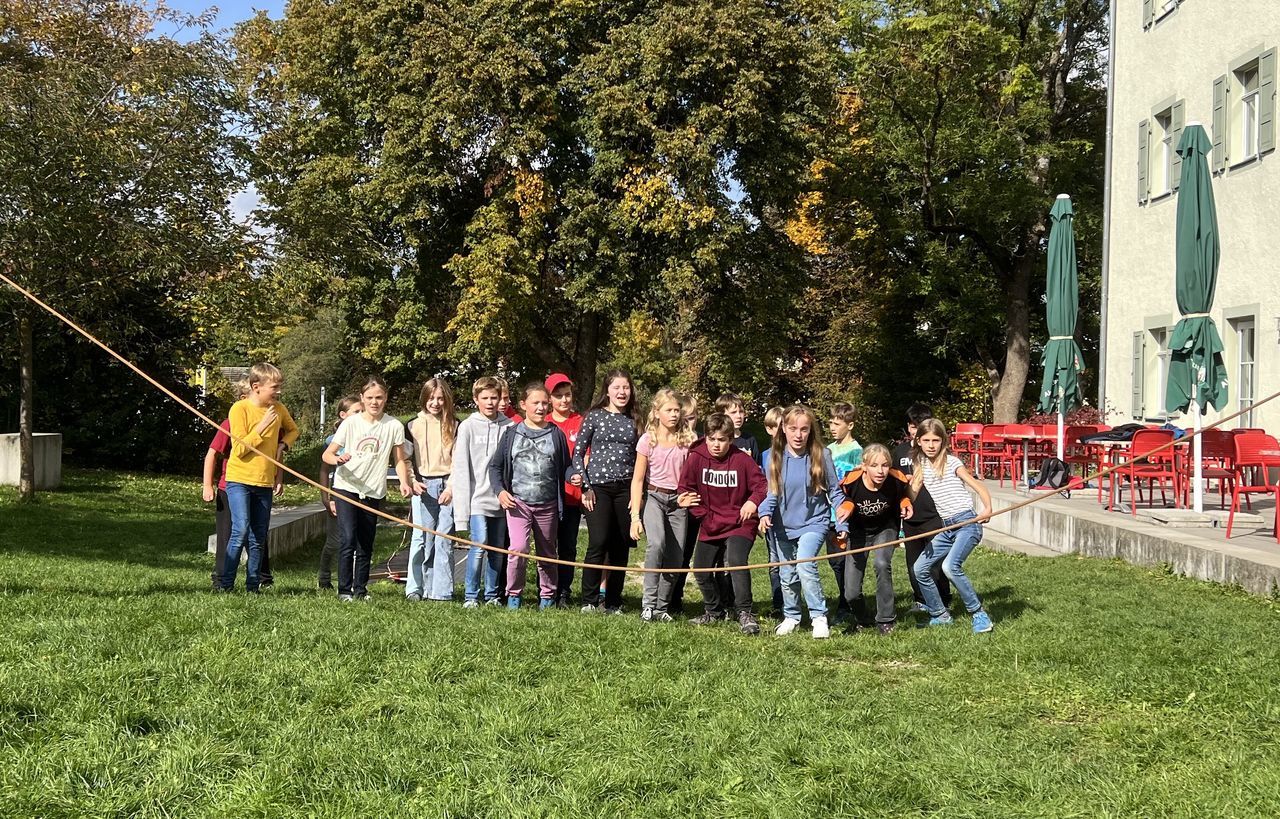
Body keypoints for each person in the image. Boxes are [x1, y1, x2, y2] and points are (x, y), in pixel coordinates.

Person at [322, 376, 414, 602]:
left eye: (379, 398)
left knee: (366, 542)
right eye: (370, 398)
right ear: (362, 399)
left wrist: (404, 482)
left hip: (373, 490)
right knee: (348, 539)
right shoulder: (351, 423)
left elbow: (400, 460)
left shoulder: (393, 425)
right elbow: (327, 454)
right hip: (347, 487)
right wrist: (338, 460)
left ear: (386, 399)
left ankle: (360, 589)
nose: (375, 402)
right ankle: (344, 590)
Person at [758, 405, 843, 639]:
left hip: (814, 522)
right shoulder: (774, 457)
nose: (798, 434)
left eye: (804, 429)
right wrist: (764, 513)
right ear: (783, 428)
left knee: (805, 565)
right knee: (787, 575)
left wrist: (842, 521)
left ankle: (819, 617)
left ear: (810, 431)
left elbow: (835, 492)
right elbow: (771, 494)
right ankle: (792, 616)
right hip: (783, 526)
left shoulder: (821, 455)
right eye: (793, 428)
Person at [678, 412, 767, 634]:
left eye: (722, 440)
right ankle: (714, 611)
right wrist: (700, 513)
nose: (716, 445)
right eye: (712, 439)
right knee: (701, 569)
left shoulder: (742, 460)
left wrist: (752, 502)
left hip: (740, 522)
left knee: (736, 562)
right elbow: (685, 489)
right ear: (706, 437)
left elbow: (761, 485)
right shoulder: (696, 457)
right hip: (711, 523)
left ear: (730, 440)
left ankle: (745, 612)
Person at [488, 382, 572, 610]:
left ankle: (547, 596)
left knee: (547, 553)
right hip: (518, 503)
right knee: (518, 549)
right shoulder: (511, 434)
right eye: (536, 403)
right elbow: (495, 468)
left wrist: (573, 476)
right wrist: (500, 491)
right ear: (524, 404)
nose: (541, 407)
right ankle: (514, 595)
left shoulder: (556, 434)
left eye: (545, 403)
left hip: (548, 504)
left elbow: (566, 466)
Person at [911, 418, 995, 633]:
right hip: (946, 528)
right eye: (926, 440)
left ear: (943, 442)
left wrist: (987, 508)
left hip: (967, 523)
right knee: (920, 568)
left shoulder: (952, 463)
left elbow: (978, 486)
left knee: (950, 567)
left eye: (936, 440)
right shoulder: (920, 464)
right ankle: (940, 614)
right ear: (918, 441)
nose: (931, 445)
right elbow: (912, 491)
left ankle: (979, 614)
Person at [221, 363, 298, 593]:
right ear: (256, 387)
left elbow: (294, 430)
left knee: (259, 537)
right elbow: (240, 448)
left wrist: (283, 445)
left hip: (264, 481)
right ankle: (226, 584)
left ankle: (252, 586)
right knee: (240, 530)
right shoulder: (239, 408)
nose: (278, 392)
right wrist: (262, 427)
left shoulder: (279, 408)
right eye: (274, 387)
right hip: (239, 479)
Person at [571, 369, 640, 614]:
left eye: (626, 388)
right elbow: (577, 454)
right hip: (597, 489)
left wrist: (637, 494)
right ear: (607, 390)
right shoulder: (594, 416)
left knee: (621, 545)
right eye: (617, 388)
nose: (622, 392)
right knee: (598, 542)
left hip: (625, 489)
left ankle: (613, 601)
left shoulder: (636, 419)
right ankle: (589, 600)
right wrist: (585, 487)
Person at [630, 388, 694, 623]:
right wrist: (635, 517)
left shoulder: (687, 440)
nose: (674, 415)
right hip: (655, 497)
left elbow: (693, 476)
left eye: (677, 410)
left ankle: (662, 607)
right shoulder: (648, 440)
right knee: (656, 544)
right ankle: (647, 604)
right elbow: (637, 480)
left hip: (678, 501)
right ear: (656, 412)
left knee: (676, 557)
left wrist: (688, 496)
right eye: (669, 410)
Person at [835, 443, 912, 635]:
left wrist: (905, 501)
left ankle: (886, 619)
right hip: (859, 532)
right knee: (851, 592)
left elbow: (904, 494)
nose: (880, 471)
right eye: (874, 465)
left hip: (885, 529)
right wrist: (847, 505)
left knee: (881, 563)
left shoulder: (896, 479)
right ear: (864, 466)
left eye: (885, 465)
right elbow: (839, 497)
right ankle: (863, 619)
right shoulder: (851, 482)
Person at [451, 376, 514, 608]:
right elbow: (461, 467)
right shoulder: (467, 426)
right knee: (479, 545)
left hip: (500, 498)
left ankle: (492, 594)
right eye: (485, 398)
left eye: (494, 398)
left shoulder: (509, 427)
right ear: (476, 399)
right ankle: (470, 595)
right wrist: (461, 513)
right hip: (477, 499)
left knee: (497, 549)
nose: (490, 402)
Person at [892, 402, 952, 613]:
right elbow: (893, 480)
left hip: (936, 515)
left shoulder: (937, 452)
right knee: (913, 563)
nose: (917, 431)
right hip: (909, 516)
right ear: (908, 428)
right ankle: (921, 601)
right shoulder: (899, 451)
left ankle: (944, 600)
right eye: (913, 426)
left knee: (936, 563)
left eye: (921, 426)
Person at [404, 378, 457, 602]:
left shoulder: (454, 424)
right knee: (427, 538)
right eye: (431, 398)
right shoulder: (411, 426)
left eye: (439, 398)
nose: (435, 403)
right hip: (424, 484)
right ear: (424, 398)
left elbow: (459, 461)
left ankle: (443, 591)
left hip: (447, 485)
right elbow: (405, 458)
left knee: (444, 537)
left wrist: (452, 487)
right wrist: (412, 480)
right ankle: (426, 587)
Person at [202, 377, 252, 590]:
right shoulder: (230, 423)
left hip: (256, 486)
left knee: (255, 535)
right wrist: (207, 485)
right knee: (227, 534)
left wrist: (277, 478)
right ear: (243, 398)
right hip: (228, 487)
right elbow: (212, 454)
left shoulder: (266, 423)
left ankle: (260, 578)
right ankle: (221, 578)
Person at [546, 372, 584, 607]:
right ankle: (547, 591)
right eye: (558, 396)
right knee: (548, 546)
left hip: (572, 496)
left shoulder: (581, 421)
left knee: (568, 546)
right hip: (547, 496)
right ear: (550, 398)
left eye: (567, 395)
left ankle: (564, 591)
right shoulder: (544, 421)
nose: (563, 400)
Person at [318, 394, 361, 590]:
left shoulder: (365, 437)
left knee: (356, 540)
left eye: (362, 412)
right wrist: (327, 499)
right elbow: (324, 471)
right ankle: (324, 577)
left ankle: (351, 583)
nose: (360, 415)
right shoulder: (332, 441)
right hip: (339, 495)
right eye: (356, 412)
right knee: (335, 541)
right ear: (343, 415)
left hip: (361, 495)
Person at [826, 402, 863, 622]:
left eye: (837, 423)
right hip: (828, 513)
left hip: (846, 513)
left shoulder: (857, 452)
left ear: (850, 425)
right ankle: (843, 600)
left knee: (846, 560)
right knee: (834, 561)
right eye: (831, 422)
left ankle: (846, 603)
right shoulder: (828, 449)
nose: (832, 427)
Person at [760, 405, 785, 616]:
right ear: (769, 429)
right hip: (771, 515)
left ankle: (791, 603)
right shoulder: (765, 456)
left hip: (790, 515)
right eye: (777, 426)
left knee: (791, 561)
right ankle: (778, 603)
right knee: (774, 561)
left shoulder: (794, 454)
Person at [715, 393, 758, 460]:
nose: (738, 416)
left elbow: (756, 467)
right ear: (722, 415)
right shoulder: (715, 440)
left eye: (741, 412)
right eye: (733, 412)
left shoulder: (749, 440)